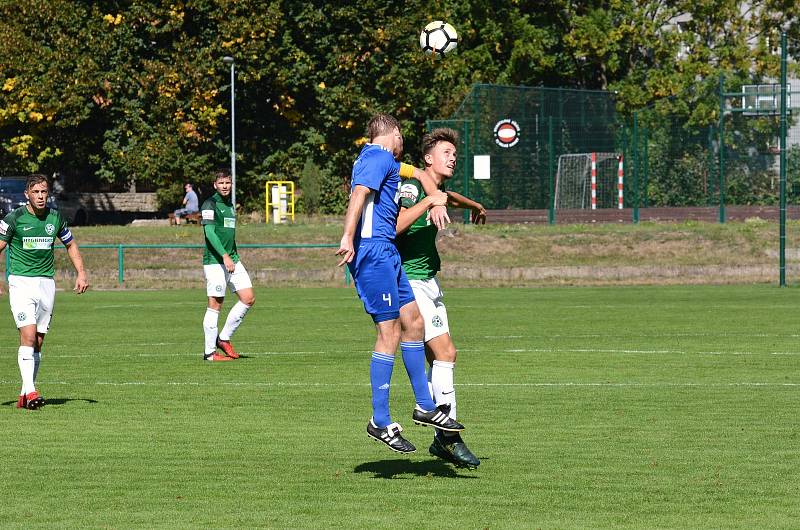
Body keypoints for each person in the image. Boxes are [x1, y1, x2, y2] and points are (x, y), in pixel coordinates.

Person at [336, 113, 465, 454]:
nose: (403, 147)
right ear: (392, 134)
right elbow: (360, 193)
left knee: (414, 323)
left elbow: (421, 173)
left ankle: (425, 406)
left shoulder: (388, 162)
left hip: (389, 254)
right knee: (389, 332)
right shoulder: (376, 157)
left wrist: (437, 194)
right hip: (373, 252)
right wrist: (348, 237)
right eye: (402, 139)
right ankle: (380, 420)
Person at [396, 128, 486, 468]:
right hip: (410, 282)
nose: (452, 158)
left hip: (429, 282)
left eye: (454, 154)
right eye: (446, 153)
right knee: (447, 352)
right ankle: (449, 437)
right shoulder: (412, 187)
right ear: (428, 159)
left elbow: (450, 196)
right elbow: (394, 227)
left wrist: (473, 204)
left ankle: (442, 438)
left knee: (439, 361)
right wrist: (427, 203)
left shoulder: (438, 189)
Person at [0, 174, 89, 410]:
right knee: (27, 337)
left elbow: (70, 244)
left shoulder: (55, 217)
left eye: (44, 192)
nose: (41, 196)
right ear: (26, 194)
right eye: (36, 192)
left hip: (46, 285)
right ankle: (31, 392)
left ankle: (24, 394)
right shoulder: (14, 218)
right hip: (21, 284)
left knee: (38, 341)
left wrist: (81, 273)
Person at [200, 170, 254, 362]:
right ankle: (209, 354)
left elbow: (229, 236)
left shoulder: (230, 206)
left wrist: (233, 256)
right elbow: (210, 233)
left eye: (228, 183)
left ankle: (223, 338)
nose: (225, 186)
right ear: (215, 185)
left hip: (232, 259)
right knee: (215, 304)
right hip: (216, 262)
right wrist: (224, 256)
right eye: (221, 182)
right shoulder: (210, 204)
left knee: (248, 298)